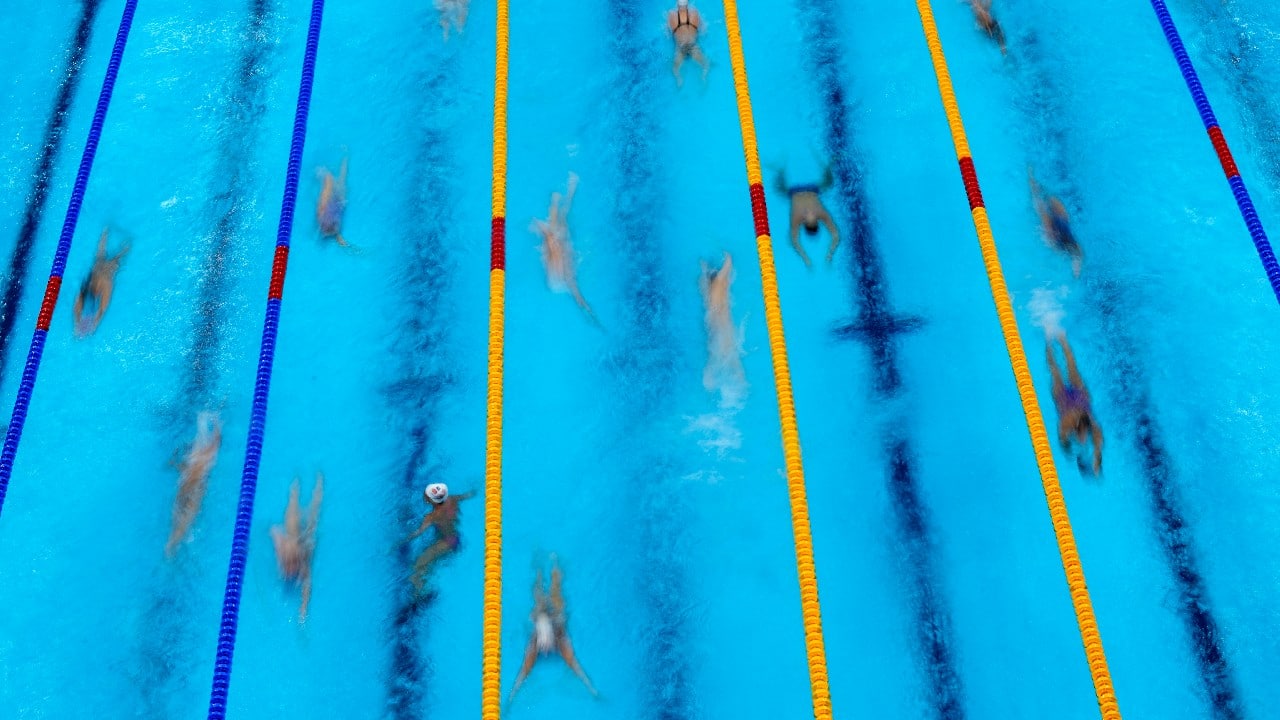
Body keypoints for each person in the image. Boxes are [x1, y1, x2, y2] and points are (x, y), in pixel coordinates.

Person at [510, 555, 598, 702]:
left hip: (555, 621)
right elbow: (522, 674)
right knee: (541, 596)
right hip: (548, 622)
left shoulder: (560, 641)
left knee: (555, 593)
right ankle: (541, 566)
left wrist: (592, 691)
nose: (545, 651)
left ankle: (552, 562)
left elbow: (577, 668)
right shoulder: (535, 644)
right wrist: (512, 697)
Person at [531, 173, 598, 324]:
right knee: (560, 222)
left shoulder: (561, 272)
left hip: (556, 278)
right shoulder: (566, 276)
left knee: (557, 225)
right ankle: (569, 190)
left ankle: (564, 193)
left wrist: (538, 226)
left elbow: (550, 241)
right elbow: (577, 295)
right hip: (558, 278)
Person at [402, 482, 475, 595]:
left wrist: (399, 542)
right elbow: (468, 495)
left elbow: (418, 533)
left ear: (430, 501)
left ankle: (419, 595)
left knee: (417, 567)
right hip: (455, 538)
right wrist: (476, 488)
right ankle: (424, 587)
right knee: (429, 564)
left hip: (445, 543)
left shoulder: (432, 516)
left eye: (426, 495)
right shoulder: (452, 499)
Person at [166, 411, 222, 556]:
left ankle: (173, 545)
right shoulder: (203, 456)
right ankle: (173, 545)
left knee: (184, 513)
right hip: (195, 481)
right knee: (185, 513)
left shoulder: (200, 458)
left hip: (192, 480)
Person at [1046, 333, 1103, 475]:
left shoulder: (1066, 427)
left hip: (1063, 399)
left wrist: (1065, 443)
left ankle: (1048, 344)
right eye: (1084, 438)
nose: (1083, 438)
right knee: (1072, 366)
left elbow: (1062, 434)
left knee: (1055, 372)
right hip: (1080, 397)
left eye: (1080, 439)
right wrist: (1096, 459)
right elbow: (1098, 443)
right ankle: (1063, 340)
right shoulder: (1092, 428)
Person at [272, 473, 323, 622]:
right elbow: (274, 531)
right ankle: (295, 487)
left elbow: (307, 585)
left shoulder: (302, 566)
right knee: (292, 513)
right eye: (289, 565)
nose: (290, 570)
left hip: (305, 541)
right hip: (292, 537)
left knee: (313, 515)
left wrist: (303, 608)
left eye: (292, 565)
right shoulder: (282, 551)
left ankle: (319, 485)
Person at [775, 167, 840, 267]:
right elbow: (836, 236)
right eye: (813, 217)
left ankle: (780, 171)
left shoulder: (797, 219)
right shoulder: (821, 214)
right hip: (812, 189)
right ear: (817, 221)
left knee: (779, 189)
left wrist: (805, 258)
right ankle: (828, 166)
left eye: (807, 217)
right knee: (829, 183)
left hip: (793, 192)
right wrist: (830, 254)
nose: (809, 213)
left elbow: (794, 240)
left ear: (804, 222)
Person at [699, 252, 744, 391]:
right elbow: (727, 266)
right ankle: (742, 385)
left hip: (712, 324)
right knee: (732, 357)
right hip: (724, 325)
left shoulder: (706, 291)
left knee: (716, 355)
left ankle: (708, 384)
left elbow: (704, 279)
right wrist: (728, 256)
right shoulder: (719, 284)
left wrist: (704, 267)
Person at [72, 228, 129, 337]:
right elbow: (80, 306)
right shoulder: (90, 288)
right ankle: (107, 232)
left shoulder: (104, 285)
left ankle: (107, 232)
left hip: (106, 268)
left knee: (112, 255)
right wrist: (80, 322)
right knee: (106, 255)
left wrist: (91, 322)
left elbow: (101, 309)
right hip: (103, 267)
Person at [1029, 168, 1083, 276]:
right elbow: (1078, 256)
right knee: (1048, 202)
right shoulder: (1074, 250)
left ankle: (1033, 182)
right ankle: (1035, 184)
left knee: (1043, 207)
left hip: (1059, 235)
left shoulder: (1058, 243)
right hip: (1063, 230)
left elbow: (1077, 256)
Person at [668, 0, 710, 87]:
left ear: (677, 3)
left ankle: (679, 79)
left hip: (681, 46)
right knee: (705, 65)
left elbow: (668, 33)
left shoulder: (671, 15)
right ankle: (703, 77)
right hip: (693, 45)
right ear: (688, 4)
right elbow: (703, 30)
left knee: (675, 69)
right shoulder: (694, 13)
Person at [317, 157, 349, 247]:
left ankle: (345, 158)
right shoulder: (328, 221)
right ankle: (345, 157)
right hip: (335, 203)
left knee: (332, 179)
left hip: (333, 204)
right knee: (339, 180)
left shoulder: (322, 214)